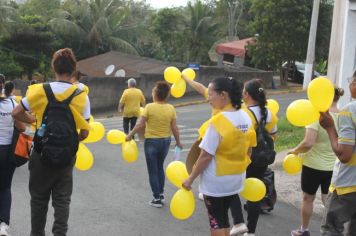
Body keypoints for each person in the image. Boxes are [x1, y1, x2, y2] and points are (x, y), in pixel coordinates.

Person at [12, 48, 91, 236]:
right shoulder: (81, 95)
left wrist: (33, 120)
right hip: (66, 155)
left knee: (39, 200)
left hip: (41, 153)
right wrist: (71, 139)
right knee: (62, 200)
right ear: (73, 70)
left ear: (54, 67)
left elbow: (16, 113)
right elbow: (85, 132)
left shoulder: (40, 90)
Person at [182, 77, 257, 236]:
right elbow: (249, 151)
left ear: (223, 95)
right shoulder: (246, 118)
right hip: (236, 179)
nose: (208, 98)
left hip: (216, 182)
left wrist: (190, 178)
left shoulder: (218, 122)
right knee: (224, 220)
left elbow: (206, 156)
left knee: (217, 222)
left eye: (211, 94)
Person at [290, 87, 344, 236]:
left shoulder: (317, 116)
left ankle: (304, 230)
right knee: (329, 200)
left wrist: (294, 150)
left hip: (313, 165)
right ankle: (333, 230)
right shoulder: (343, 116)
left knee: (308, 198)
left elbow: (308, 143)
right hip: (335, 165)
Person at [126, 81, 182, 208]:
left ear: (156, 93)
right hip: (165, 141)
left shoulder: (149, 107)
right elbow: (175, 128)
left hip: (151, 142)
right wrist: (178, 142)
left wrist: (130, 135)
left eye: (153, 90)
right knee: (159, 167)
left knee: (152, 171)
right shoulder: (171, 108)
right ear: (166, 95)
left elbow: (140, 124)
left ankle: (156, 198)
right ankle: (161, 194)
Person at [319, 71, 356, 236]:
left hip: (347, 186)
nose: (350, 85)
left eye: (352, 80)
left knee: (331, 229)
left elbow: (344, 155)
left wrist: (330, 128)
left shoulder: (350, 110)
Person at [242, 79, 278, 236]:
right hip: (262, 158)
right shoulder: (269, 113)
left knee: (232, 190)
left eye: (244, 91)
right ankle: (251, 231)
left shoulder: (243, 113)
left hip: (245, 158)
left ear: (247, 94)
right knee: (254, 193)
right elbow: (274, 135)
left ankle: (235, 223)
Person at [0, 81, 26, 236]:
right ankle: (3, 225)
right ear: (2, 86)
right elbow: (22, 128)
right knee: (5, 188)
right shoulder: (12, 102)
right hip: (7, 151)